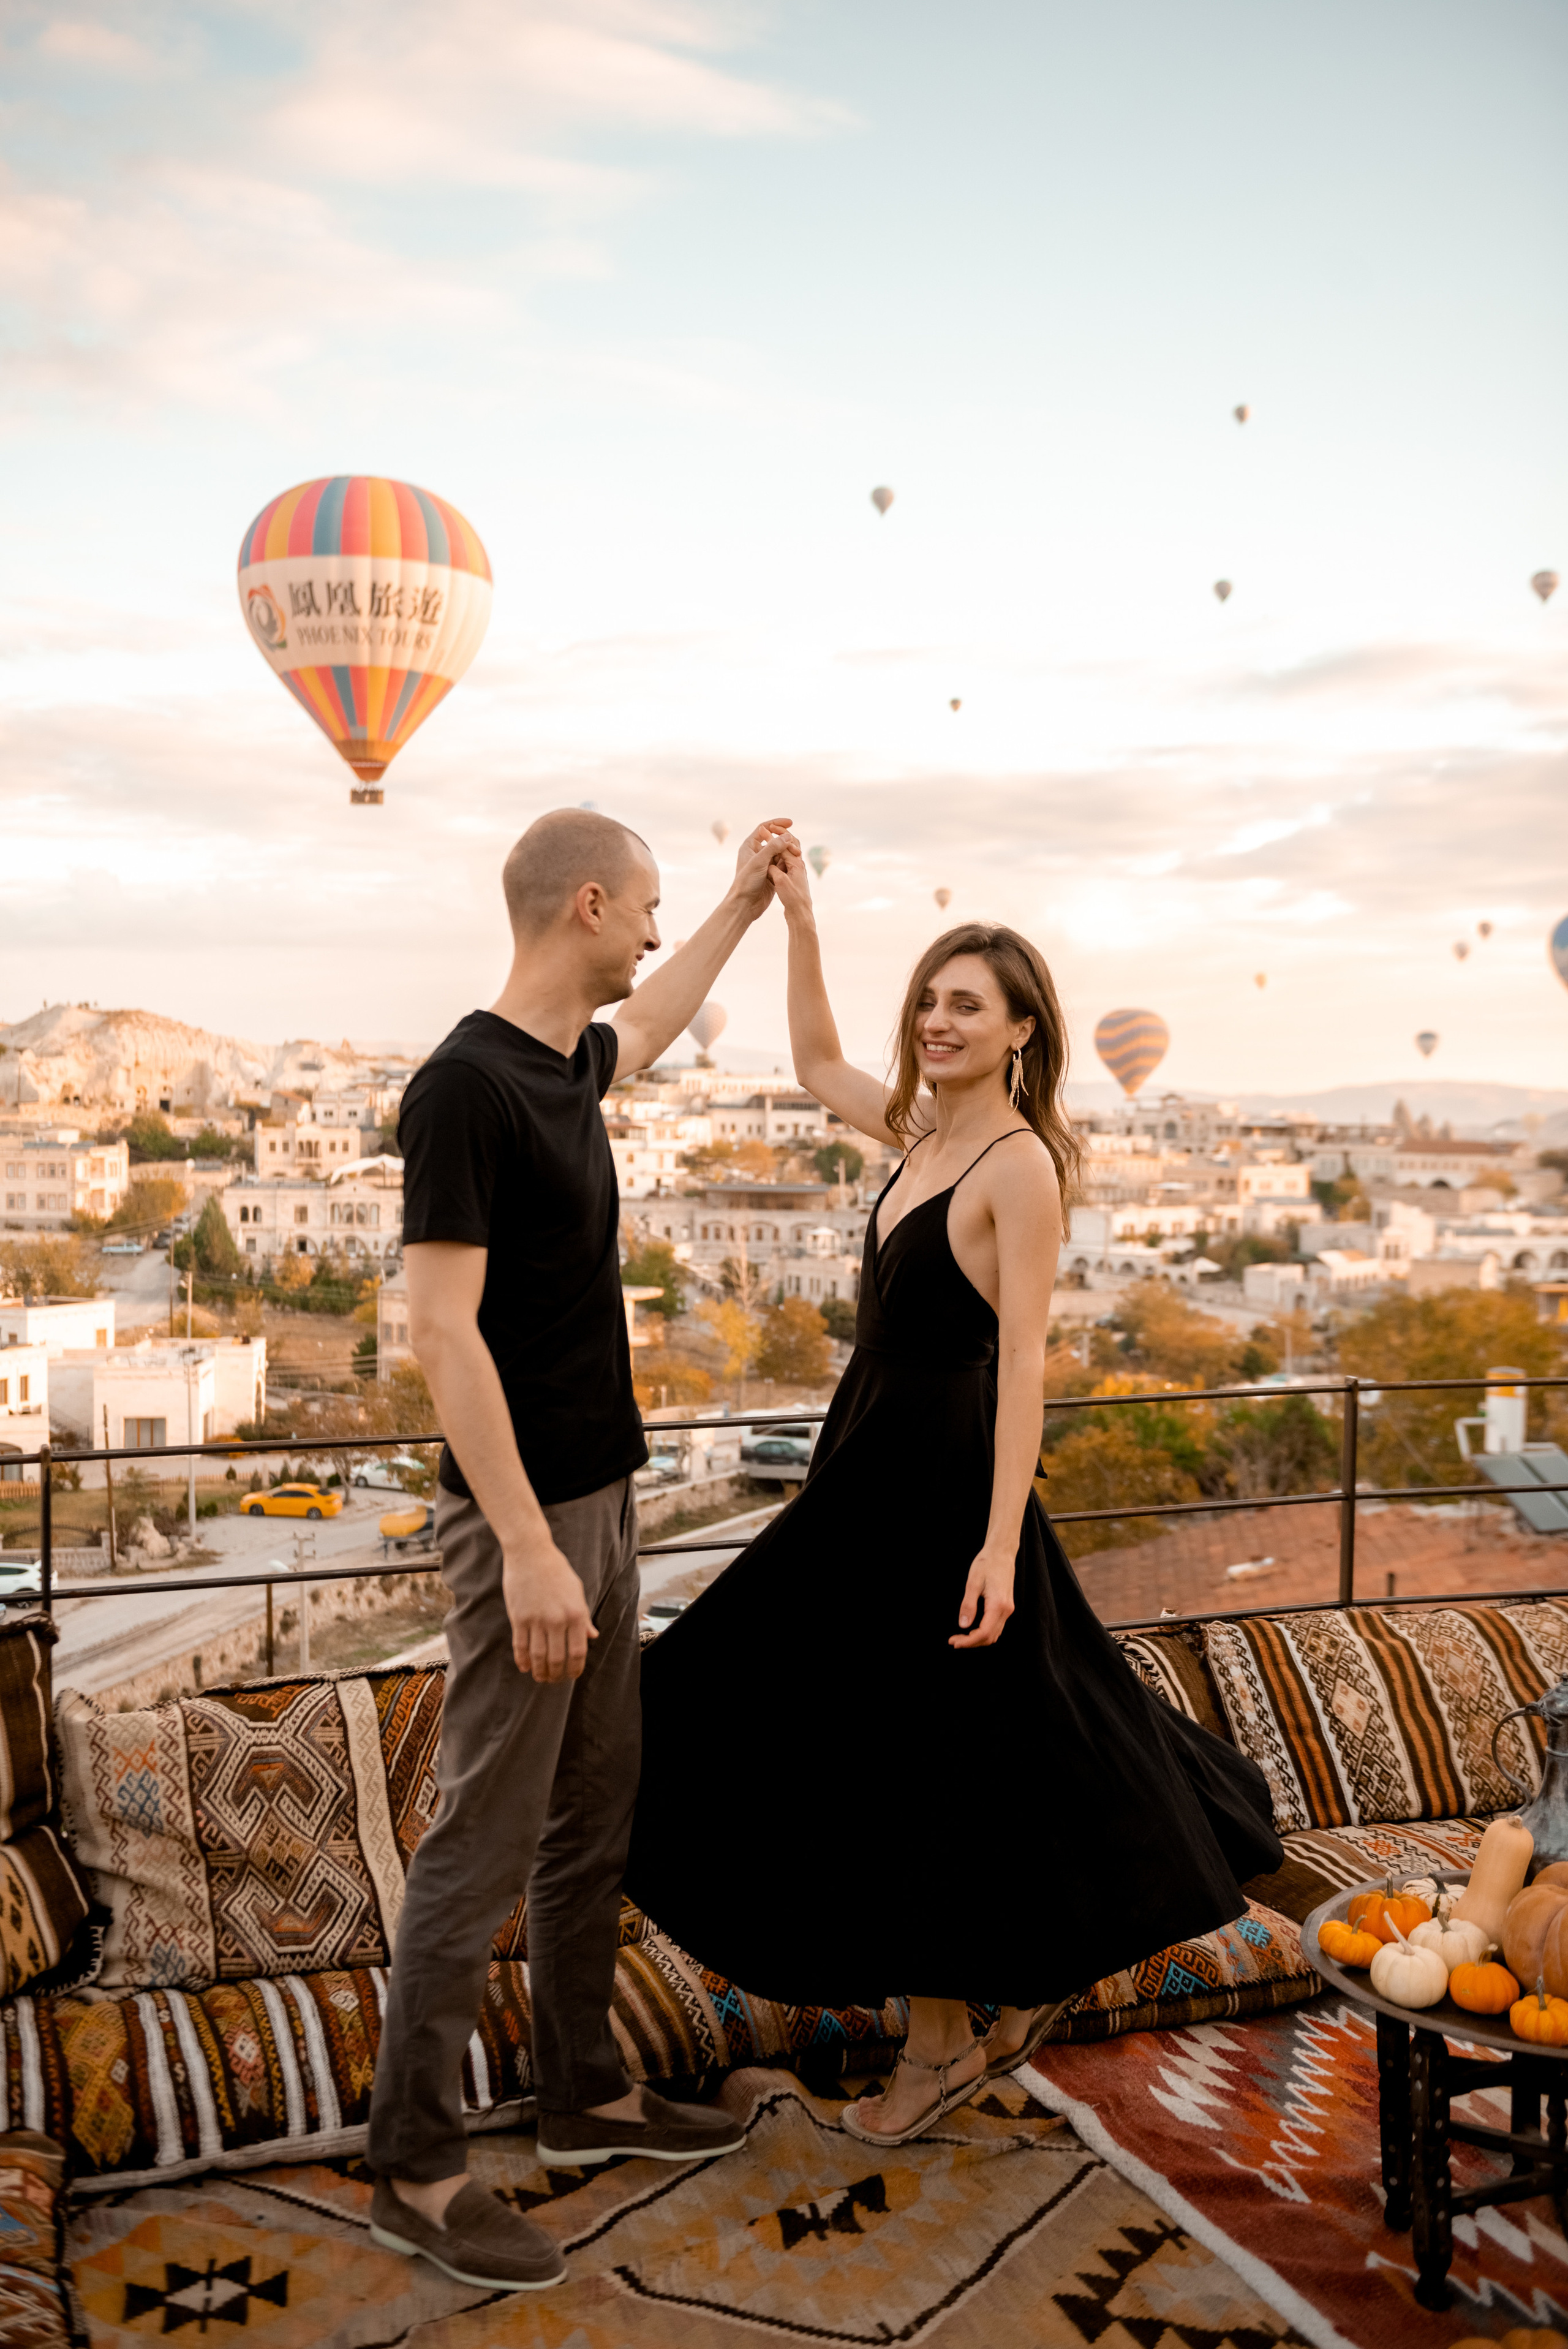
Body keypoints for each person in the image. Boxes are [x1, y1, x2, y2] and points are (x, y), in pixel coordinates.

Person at [626, 852, 1283, 2146]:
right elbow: (816, 1063)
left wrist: (995, 1544)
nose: (937, 1020)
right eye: (929, 998)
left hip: (935, 1488)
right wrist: (798, 919)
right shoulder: (922, 1135)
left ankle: (934, 2051)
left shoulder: (1016, 1167)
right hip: (866, 1461)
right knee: (888, 1741)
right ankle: (968, 2020)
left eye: (967, 1004)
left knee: (901, 1752)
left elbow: (1025, 1359)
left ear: (1022, 1030)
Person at [367, 808, 797, 2291]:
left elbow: (660, 1026)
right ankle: (415, 2169)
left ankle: (582, 2098)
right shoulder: (462, 1090)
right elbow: (438, 1332)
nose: (661, 938)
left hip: (601, 1500)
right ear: (591, 905)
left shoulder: (564, 1071)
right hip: (524, 1523)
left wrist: (743, 905)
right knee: (482, 1841)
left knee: (593, 1815)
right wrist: (526, 1550)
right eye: (657, 911)